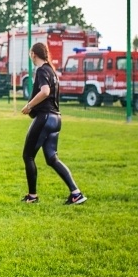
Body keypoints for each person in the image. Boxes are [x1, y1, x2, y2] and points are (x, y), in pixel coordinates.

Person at [20, 42, 87, 205]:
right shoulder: (52, 71)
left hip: (45, 118)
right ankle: (76, 194)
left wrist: (29, 106)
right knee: (52, 158)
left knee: (28, 156)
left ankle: (32, 196)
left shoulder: (42, 70)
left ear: (33, 54)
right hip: (56, 119)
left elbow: (45, 92)